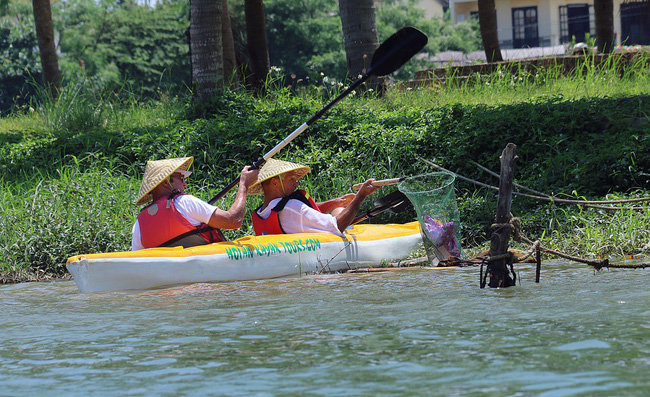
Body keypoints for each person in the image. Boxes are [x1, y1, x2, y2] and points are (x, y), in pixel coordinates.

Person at [132, 156, 259, 250]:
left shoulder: (139, 224)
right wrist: (244, 185)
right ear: (166, 182)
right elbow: (234, 220)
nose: (185, 183)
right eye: (181, 178)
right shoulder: (184, 202)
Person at [248, 158, 379, 236]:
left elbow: (304, 213)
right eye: (291, 179)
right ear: (275, 183)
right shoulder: (291, 207)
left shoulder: (259, 213)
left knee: (337, 210)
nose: (296, 183)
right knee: (338, 213)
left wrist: (335, 202)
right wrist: (361, 196)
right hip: (334, 238)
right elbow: (337, 226)